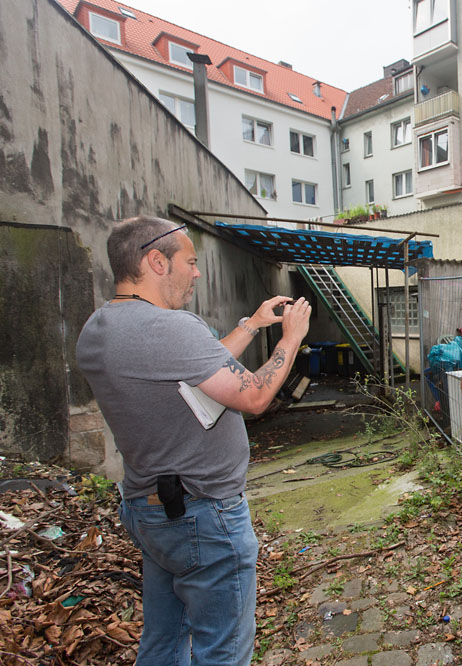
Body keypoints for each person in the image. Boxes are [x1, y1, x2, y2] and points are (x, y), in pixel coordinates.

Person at [76, 215, 312, 666]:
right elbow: (256, 395)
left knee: (164, 642)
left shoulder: (99, 329)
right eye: (191, 261)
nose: (198, 272)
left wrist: (254, 324)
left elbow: (194, 363)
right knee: (221, 651)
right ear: (156, 261)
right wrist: (291, 337)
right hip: (204, 519)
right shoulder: (171, 328)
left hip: (150, 511)